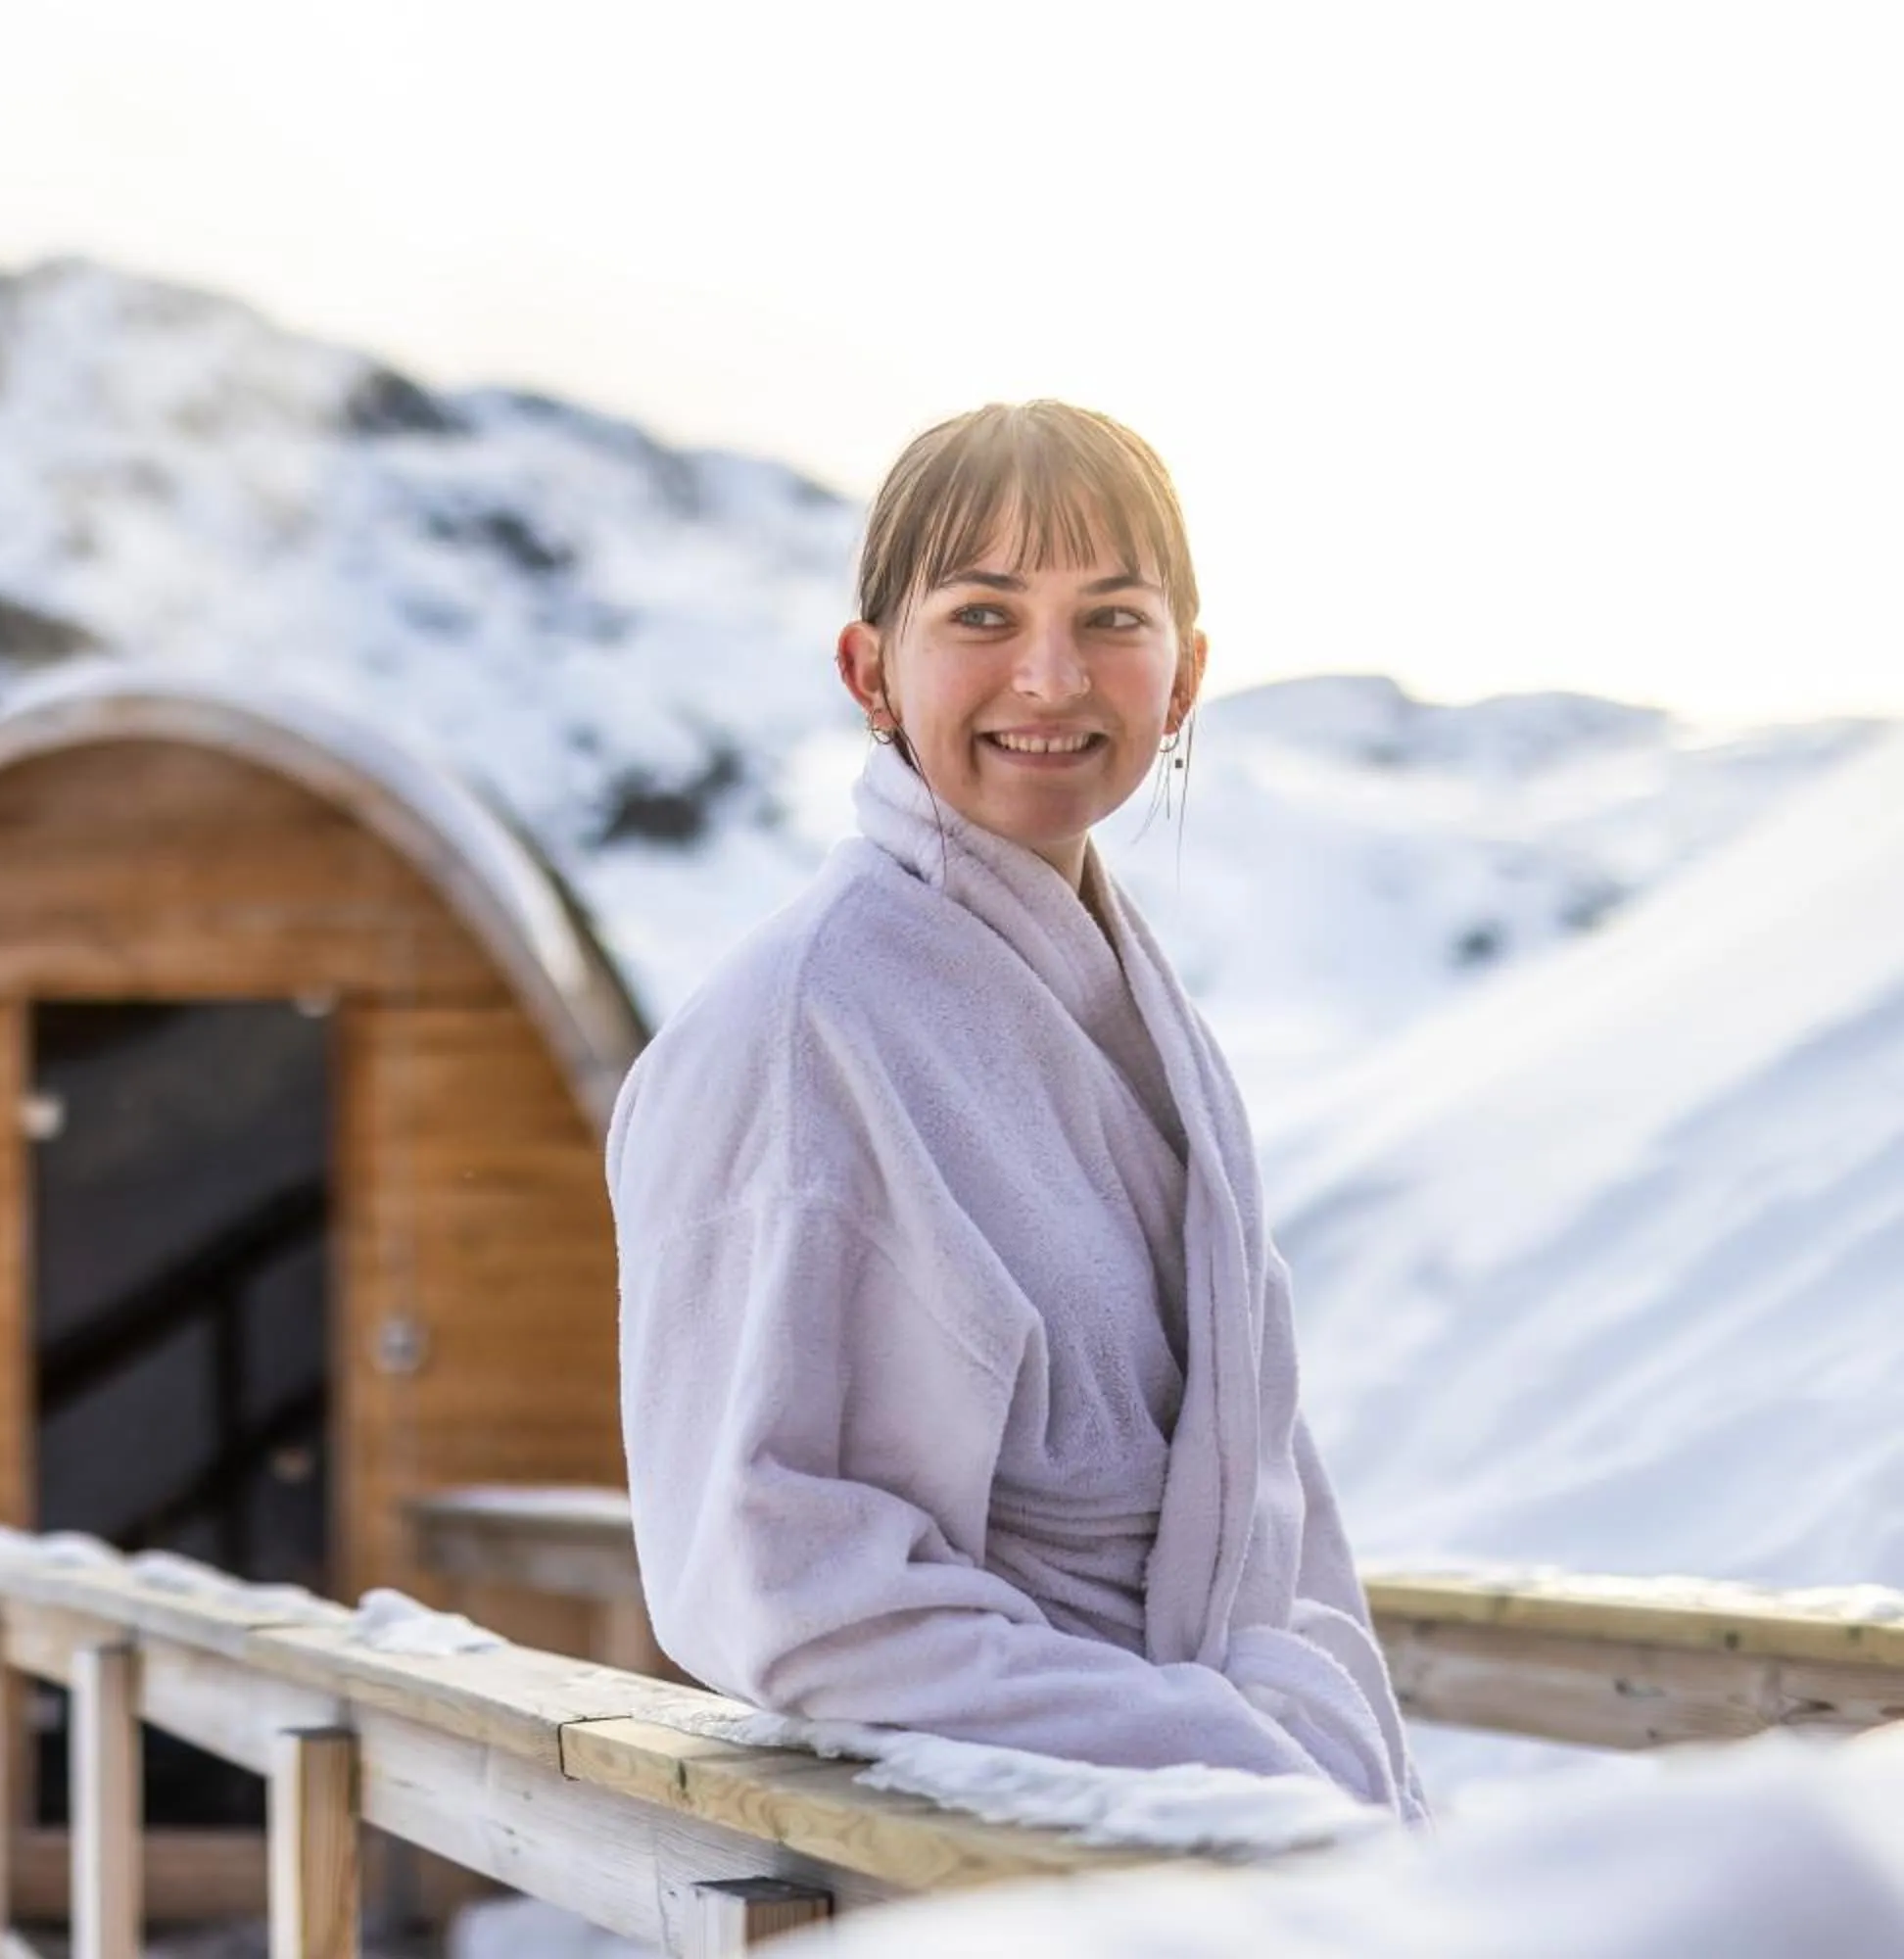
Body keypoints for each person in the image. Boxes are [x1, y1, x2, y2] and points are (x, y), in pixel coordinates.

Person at [606, 401, 1424, 1821]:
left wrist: (1338, 1765)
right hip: (1019, 1852)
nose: (1051, 678)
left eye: (1112, 618)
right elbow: (782, 1586)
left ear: (1185, 679)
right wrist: (1230, 1761)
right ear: (870, 669)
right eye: (983, 613)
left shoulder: (1138, 1012)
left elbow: (1258, 1492)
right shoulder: (798, 1036)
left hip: (1241, 1822)